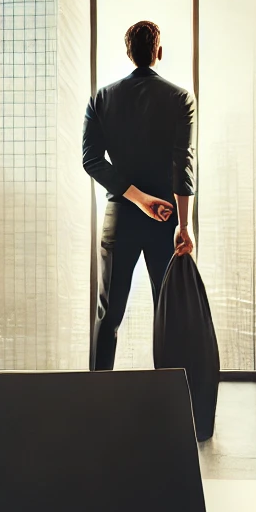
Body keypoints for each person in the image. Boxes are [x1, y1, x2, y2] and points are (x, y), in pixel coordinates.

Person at [82, 20, 196, 370]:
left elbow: (91, 160)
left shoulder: (102, 98)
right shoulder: (180, 98)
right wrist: (183, 225)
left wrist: (136, 198)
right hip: (165, 219)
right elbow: (183, 163)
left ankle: (97, 398)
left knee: (109, 314)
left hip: (120, 219)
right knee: (169, 317)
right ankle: (171, 401)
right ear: (158, 52)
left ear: (129, 54)